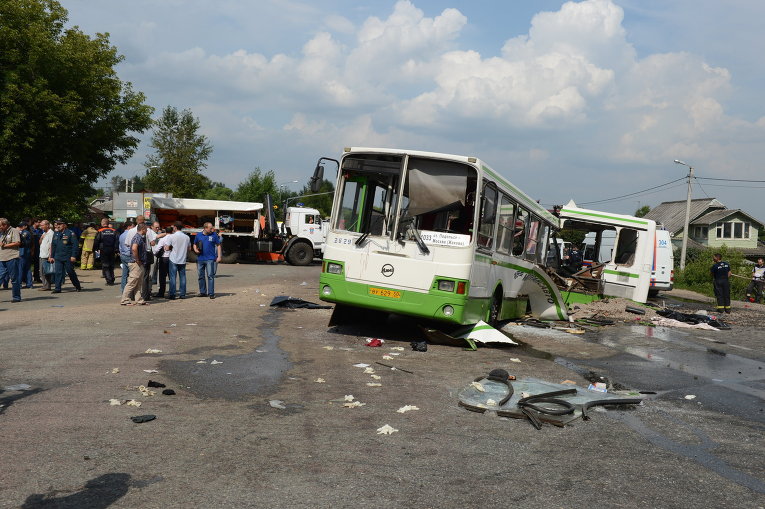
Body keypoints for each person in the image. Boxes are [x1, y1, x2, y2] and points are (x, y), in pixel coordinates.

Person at [48, 218, 82, 293]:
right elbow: (53, 246)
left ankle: (77, 285)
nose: (57, 226)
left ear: (64, 225)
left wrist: (74, 255)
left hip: (68, 257)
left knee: (70, 272)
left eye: (59, 224)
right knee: (58, 272)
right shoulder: (56, 233)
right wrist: (52, 256)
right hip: (58, 256)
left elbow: (75, 245)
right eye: (57, 224)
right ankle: (57, 288)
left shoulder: (70, 233)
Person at [193, 222, 222, 299]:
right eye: (210, 228)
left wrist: (219, 256)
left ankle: (211, 293)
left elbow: (218, 245)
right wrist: (195, 250)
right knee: (201, 276)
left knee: (210, 276)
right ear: (205, 228)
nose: (212, 229)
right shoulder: (198, 235)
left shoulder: (214, 235)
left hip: (210, 259)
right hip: (200, 259)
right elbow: (194, 244)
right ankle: (203, 292)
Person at [121, 223, 147, 306]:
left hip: (139, 263)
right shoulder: (137, 237)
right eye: (146, 229)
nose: (146, 231)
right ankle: (124, 300)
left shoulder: (139, 237)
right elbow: (134, 248)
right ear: (142, 229)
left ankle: (139, 299)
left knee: (138, 282)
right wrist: (137, 259)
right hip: (135, 263)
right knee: (132, 282)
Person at [166, 221, 190, 300]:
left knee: (173, 277)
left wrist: (171, 248)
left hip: (173, 258)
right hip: (182, 259)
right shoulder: (187, 237)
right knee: (182, 277)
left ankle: (172, 294)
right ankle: (182, 294)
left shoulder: (172, 236)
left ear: (175, 227)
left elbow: (166, 248)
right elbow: (189, 248)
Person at [0, 217, 22, 302]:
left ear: (5, 225)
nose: (0, 228)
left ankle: (16, 297)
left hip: (12, 257)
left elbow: (17, 242)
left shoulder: (14, 231)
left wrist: (5, 245)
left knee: (14, 278)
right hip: (2, 258)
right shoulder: (2, 232)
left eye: (0, 226)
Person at [94, 218, 118, 285]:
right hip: (112, 250)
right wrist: (116, 250)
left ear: (103, 223)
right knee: (111, 265)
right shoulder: (114, 231)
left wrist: (96, 249)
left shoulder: (100, 231)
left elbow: (96, 241)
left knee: (105, 265)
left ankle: (109, 280)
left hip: (103, 250)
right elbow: (117, 241)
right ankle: (112, 279)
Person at [153, 226, 173, 298]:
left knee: (162, 277)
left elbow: (156, 250)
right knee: (172, 276)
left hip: (164, 258)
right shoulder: (174, 238)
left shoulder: (163, 239)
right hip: (173, 259)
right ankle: (172, 292)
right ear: (172, 231)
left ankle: (161, 293)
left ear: (165, 232)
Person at [118, 221, 135, 292]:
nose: (134, 228)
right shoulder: (130, 234)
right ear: (129, 227)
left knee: (124, 274)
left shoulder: (121, 235)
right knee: (133, 275)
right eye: (133, 226)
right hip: (129, 255)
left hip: (123, 255)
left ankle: (123, 290)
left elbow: (120, 247)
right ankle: (130, 291)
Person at [38, 219, 54, 291]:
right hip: (42, 254)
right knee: (41, 271)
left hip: (46, 255)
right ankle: (45, 285)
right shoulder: (44, 233)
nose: (41, 227)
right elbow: (40, 243)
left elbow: (51, 245)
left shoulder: (51, 233)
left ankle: (47, 286)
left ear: (47, 225)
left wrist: (50, 256)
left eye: (42, 225)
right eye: (40, 225)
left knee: (46, 271)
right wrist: (41, 238)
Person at [17, 221, 33, 289]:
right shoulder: (25, 232)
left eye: (21, 226)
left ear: (25, 226)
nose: (20, 227)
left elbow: (21, 240)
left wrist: (18, 233)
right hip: (26, 252)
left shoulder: (25, 232)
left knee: (20, 269)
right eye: (20, 226)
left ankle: (19, 284)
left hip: (23, 252)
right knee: (27, 269)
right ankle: (29, 284)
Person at [31, 218, 43, 284]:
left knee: (37, 264)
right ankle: (26, 279)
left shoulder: (40, 230)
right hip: (30, 249)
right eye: (38, 222)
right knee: (28, 264)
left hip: (38, 249)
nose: (40, 223)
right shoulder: (30, 229)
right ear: (34, 222)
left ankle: (37, 277)